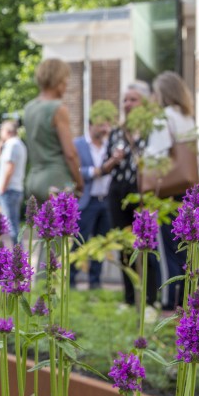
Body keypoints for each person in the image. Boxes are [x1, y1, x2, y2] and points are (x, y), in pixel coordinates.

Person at [146, 71, 198, 310]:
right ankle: (187, 299)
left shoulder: (164, 117)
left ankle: (168, 302)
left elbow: (155, 155)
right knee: (185, 247)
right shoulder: (188, 117)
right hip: (187, 190)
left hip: (166, 191)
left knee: (166, 249)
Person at [106, 81, 159, 308]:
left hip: (143, 192)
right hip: (118, 192)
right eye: (125, 100)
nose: (127, 104)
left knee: (148, 246)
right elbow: (105, 166)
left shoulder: (153, 130)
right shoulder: (117, 131)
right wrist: (113, 160)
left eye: (133, 99)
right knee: (125, 247)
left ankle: (150, 300)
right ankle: (130, 300)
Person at [22, 58, 82, 204]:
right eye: (65, 79)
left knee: (38, 226)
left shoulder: (29, 108)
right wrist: (80, 181)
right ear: (58, 79)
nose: (67, 84)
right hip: (56, 180)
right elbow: (70, 154)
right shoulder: (58, 109)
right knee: (63, 226)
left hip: (33, 179)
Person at [71, 108, 117, 288]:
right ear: (90, 125)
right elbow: (74, 170)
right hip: (86, 200)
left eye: (107, 124)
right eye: (101, 124)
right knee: (80, 241)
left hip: (105, 200)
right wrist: (93, 172)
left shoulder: (111, 146)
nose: (105, 128)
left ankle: (95, 283)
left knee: (101, 244)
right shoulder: (78, 144)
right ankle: (72, 281)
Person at [0, 119, 26, 245]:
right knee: (13, 224)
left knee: (12, 226)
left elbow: (9, 167)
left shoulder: (12, 145)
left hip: (9, 190)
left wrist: (2, 187)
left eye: (1, 129)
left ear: (7, 131)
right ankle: (19, 254)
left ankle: (19, 256)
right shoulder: (18, 144)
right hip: (15, 189)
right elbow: (1, 163)